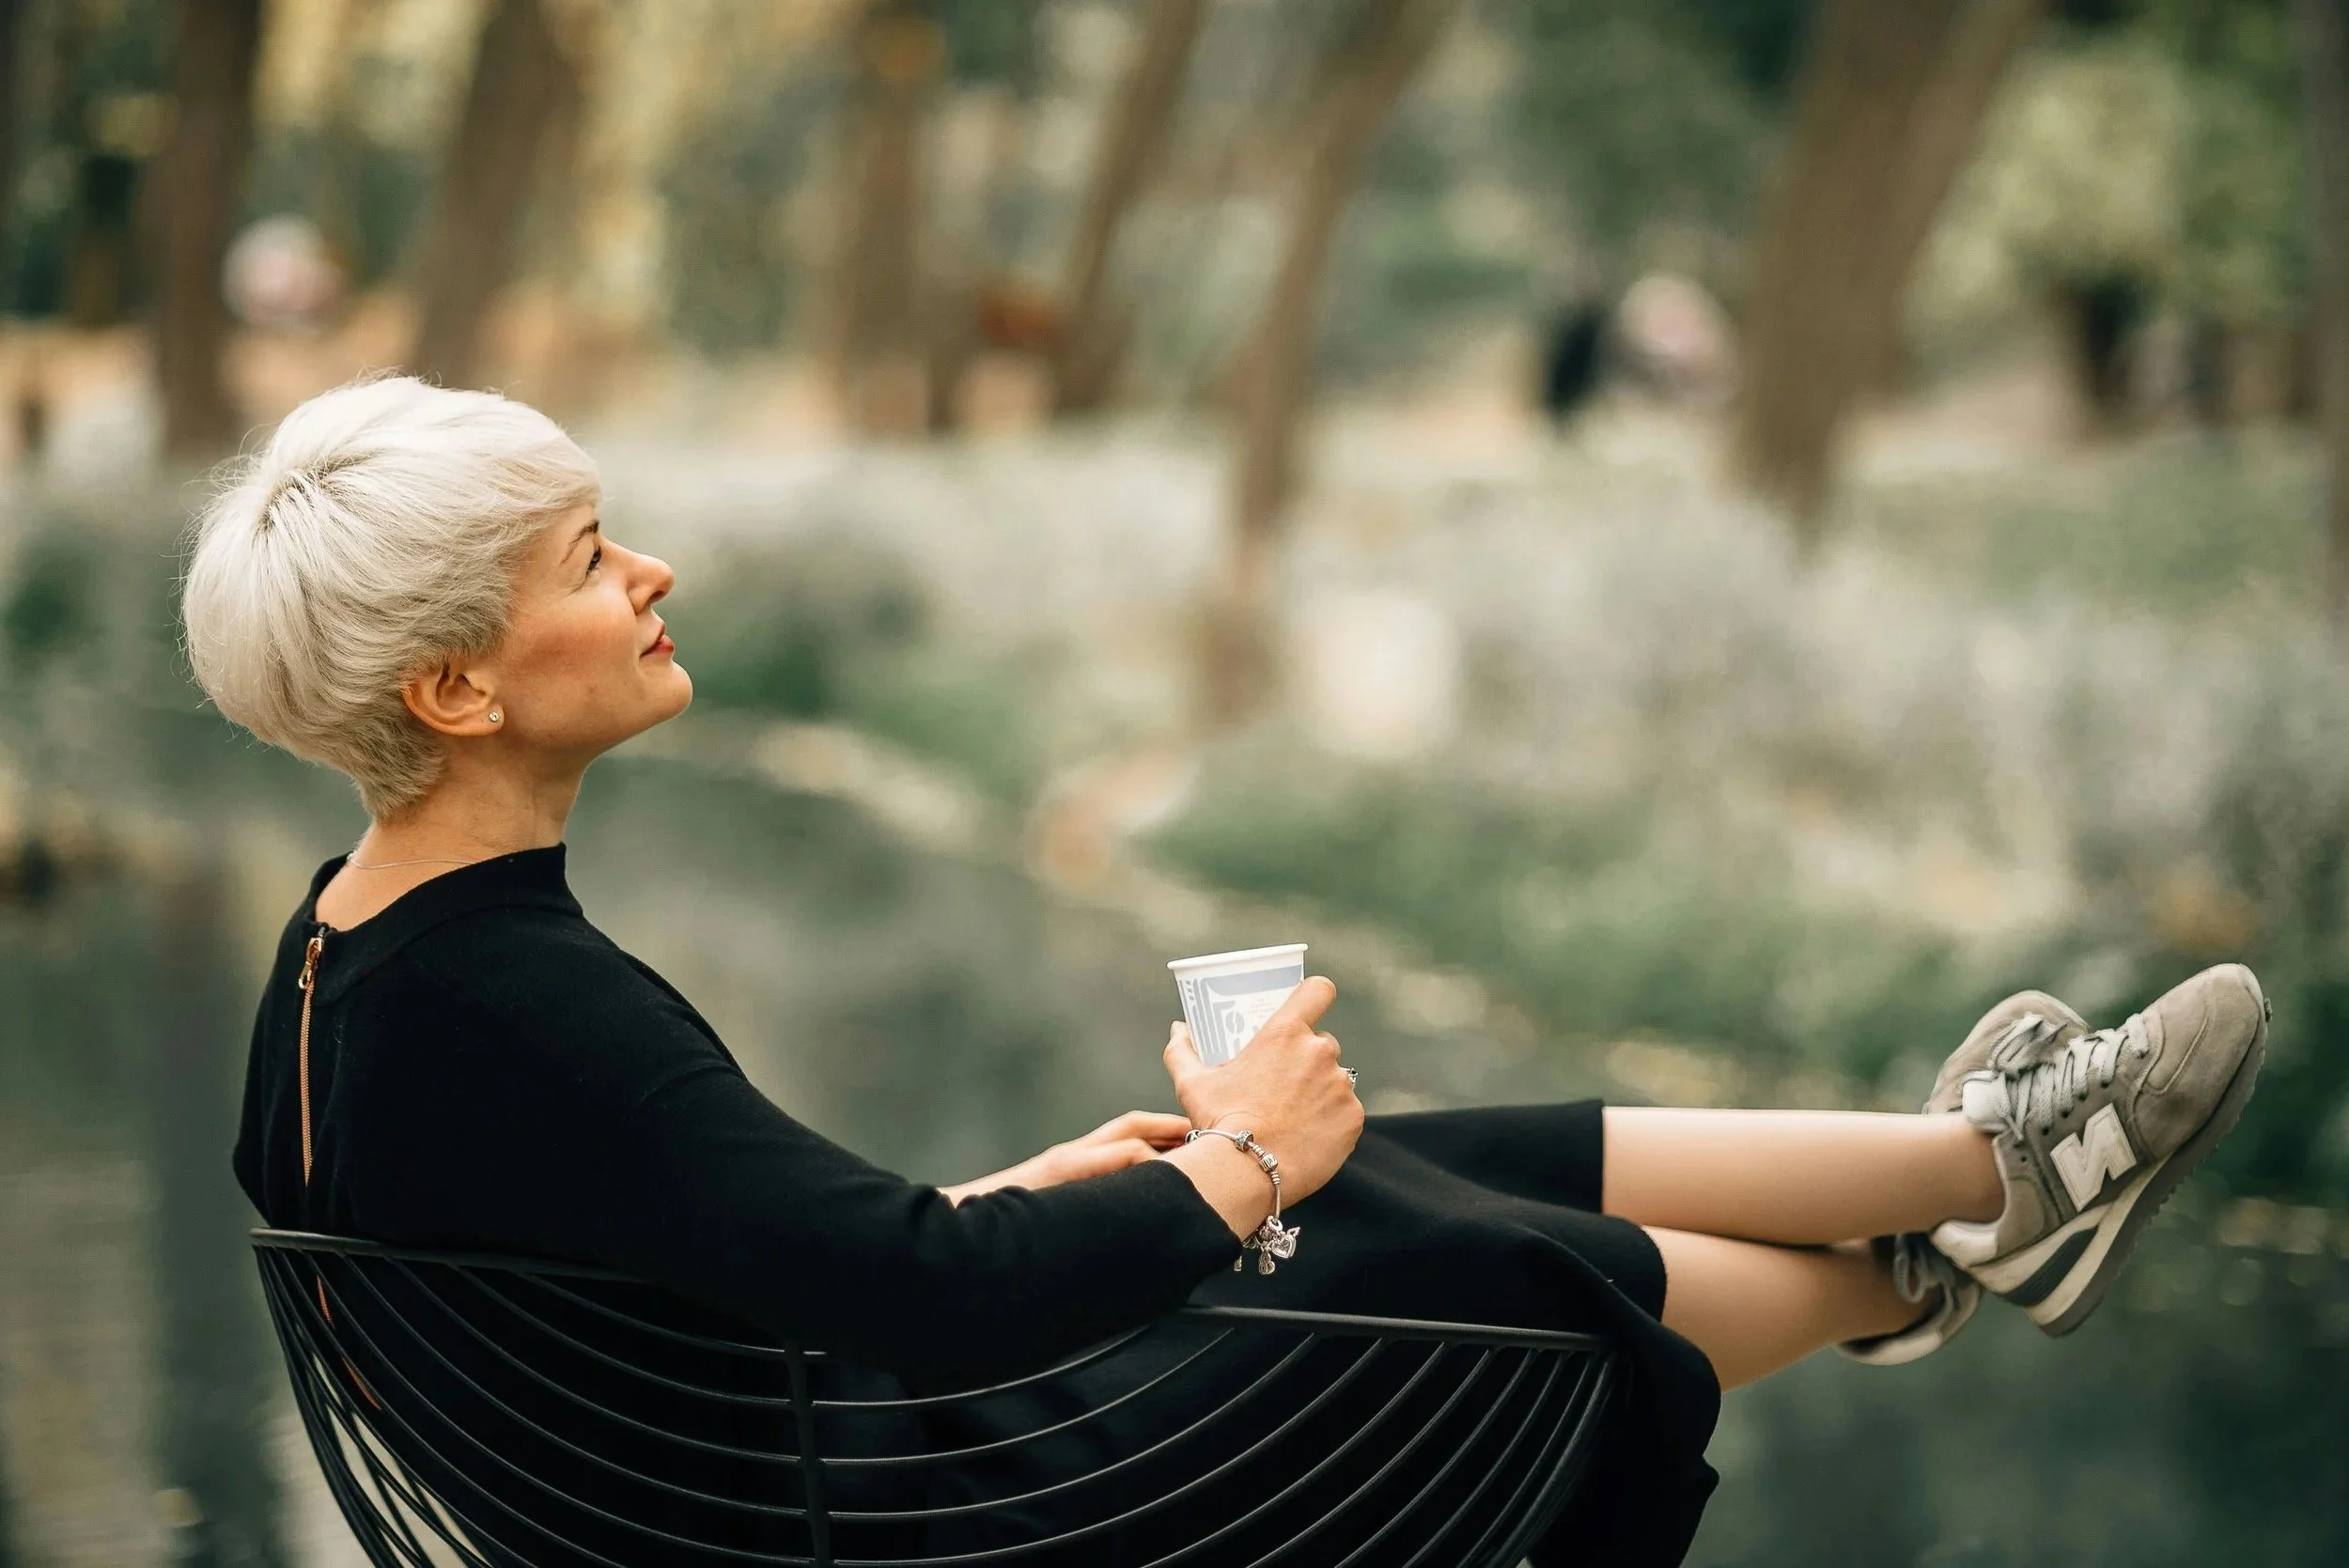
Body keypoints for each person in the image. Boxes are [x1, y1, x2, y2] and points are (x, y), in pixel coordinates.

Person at [184, 376, 2269, 1567]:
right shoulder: (531, 1009)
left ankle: (1965, 1192)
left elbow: (711, 1261)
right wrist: (1232, 1173)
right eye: (584, 562)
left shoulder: (354, 966)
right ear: (458, 682)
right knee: (1370, 1224)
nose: (650, 574)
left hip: (796, 1479)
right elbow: (909, 1307)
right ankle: (1952, 1232)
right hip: (899, 1532)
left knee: (1352, 1166)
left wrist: (1052, 1189)